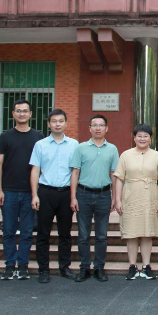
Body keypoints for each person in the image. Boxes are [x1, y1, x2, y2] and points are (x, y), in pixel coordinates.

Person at [0, 99, 44, 281]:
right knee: (8, 230)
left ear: (30, 114)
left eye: (25, 111)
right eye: (18, 111)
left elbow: (41, 165)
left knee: (27, 231)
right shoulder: (5, 136)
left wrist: (36, 193)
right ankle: (9, 265)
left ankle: (23, 265)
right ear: (13, 114)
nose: (22, 113)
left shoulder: (38, 137)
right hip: (9, 191)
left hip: (29, 192)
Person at [29, 109, 79, 283]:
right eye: (54, 121)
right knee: (43, 233)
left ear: (66, 123)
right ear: (48, 124)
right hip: (46, 192)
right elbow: (35, 170)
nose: (58, 124)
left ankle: (64, 267)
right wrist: (34, 195)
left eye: (61, 121)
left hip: (65, 193)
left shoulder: (74, 145)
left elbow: (75, 172)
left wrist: (73, 196)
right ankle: (43, 269)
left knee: (65, 233)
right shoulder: (40, 145)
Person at [70, 114, 119, 282]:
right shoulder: (81, 148)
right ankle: (84, 268)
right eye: (95, 125)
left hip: (104, 195)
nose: (98, 128)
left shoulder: (112, 149)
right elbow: (75, 172)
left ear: (107, 128)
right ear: (89, 128)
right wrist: (73, 197)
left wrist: (115, 197)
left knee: (101, 235)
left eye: (101, 125)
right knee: (83, 235)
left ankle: (99, 268)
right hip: (83, 194)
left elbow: (114, 174)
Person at [114, 124, 158, 280]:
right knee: (131, 233)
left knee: (146, 233)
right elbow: (119, 178)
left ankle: (146, 266)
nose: (142, 139)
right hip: (130, 197)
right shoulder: (125, 155)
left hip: (150, 197)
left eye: (145, 136)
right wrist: (117, 200)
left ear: (150, 138)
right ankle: (132, 265)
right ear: (134, 138)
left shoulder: (157, 156)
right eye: (139, 136)